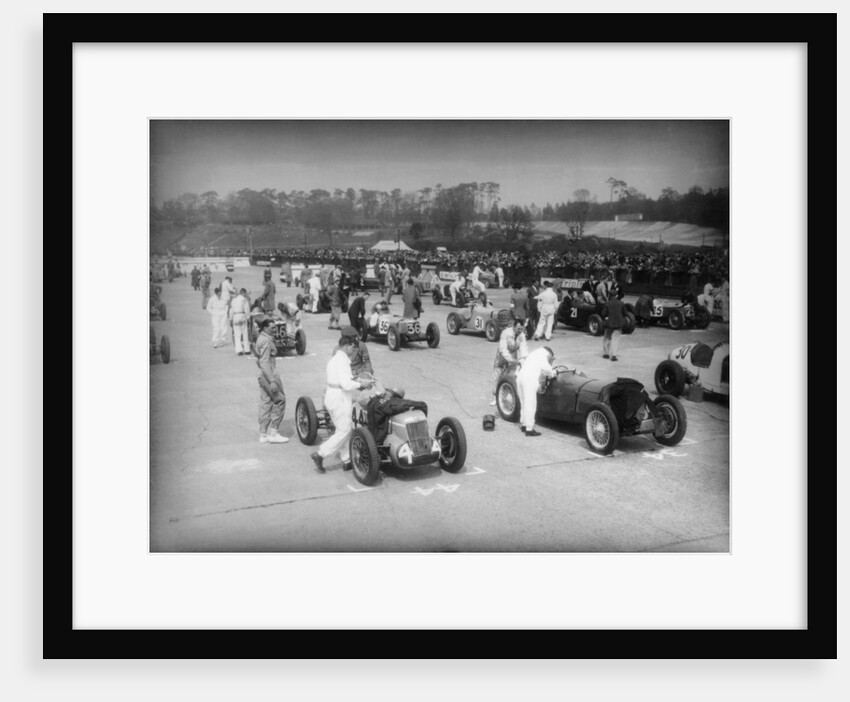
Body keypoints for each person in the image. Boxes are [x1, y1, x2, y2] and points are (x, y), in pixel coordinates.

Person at [311, 331, 374, 473]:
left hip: (333, 396)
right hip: (339, 398)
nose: (354, 350)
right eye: (353, 346)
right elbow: (346, 384)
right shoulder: (342, 360)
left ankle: (347, 460)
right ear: (346, 346)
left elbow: (344, 380)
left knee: (343, 428)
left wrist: (358, 381)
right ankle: (320, 454)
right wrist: (361, 385)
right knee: (345, 430)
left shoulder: (335, 359)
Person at [254, 315, 288, 443]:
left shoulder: (261, 338)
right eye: (272, 328)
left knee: (266, 402)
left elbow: (259, 360)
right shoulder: (266, 341)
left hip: (263, 375)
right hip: (269, 374)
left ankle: (263, 434)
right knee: (280, 400)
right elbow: (264, 363)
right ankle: (273, 432)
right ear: (265, 328)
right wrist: (272, 380)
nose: (274, 330)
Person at [515, 345, 556, 437]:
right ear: (549, 353)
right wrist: (553, 373)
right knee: (530, 403)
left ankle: (524, 424)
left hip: (520, 377)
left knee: (524, 402)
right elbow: (546, 368)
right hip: (529, 379)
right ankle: (529, 429)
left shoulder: (534, 353)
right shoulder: (544, 353)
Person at [491, 317, 527, 406]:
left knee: (510, 377)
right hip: (502, 357)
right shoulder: (505, 333)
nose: (520, 331)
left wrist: (523, 359)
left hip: (513, 357)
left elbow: (523, 348)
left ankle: (507, 396)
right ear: (513, 327)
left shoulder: (522, 335)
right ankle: (495, 397)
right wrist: (511, 359)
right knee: (498, 377)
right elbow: (503, 349)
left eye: (521, 329)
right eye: (518, 329)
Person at [601, 289, 627, 362]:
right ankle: (614, 355)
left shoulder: (607, 303)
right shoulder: (621, 303)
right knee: (615, 339)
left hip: (609, 323)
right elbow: (625, 313)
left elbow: (603, 314)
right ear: (616, 295)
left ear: (609, 295)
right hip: (618, 324)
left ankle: (606, 353)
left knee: (607, 338)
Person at [230, 287, 252, 355]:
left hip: (235, 316)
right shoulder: (244, 300)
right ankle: (247, 350)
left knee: (237, 334)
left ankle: (239, 350)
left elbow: (231, 310)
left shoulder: (234, 300)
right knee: (245, 333)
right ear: (244, 293)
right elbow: (247, 309)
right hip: (242, 315)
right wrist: (248, 318)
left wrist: (230, 319)